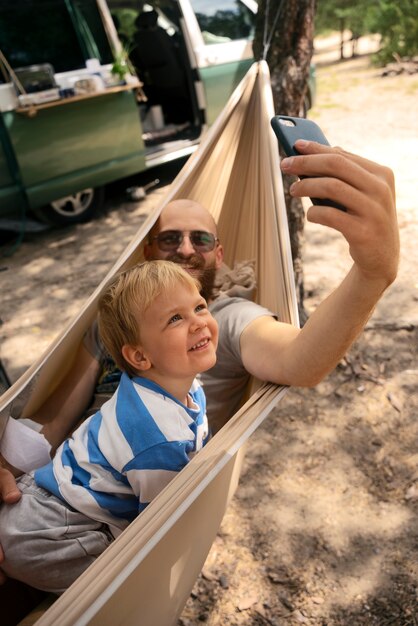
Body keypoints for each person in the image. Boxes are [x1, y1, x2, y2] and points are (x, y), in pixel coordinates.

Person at [0, 139, 399, 531]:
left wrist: (371, 274)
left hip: (130, 515)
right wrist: (7, 476)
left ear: (219, 255)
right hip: (60, 492)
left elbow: (301, 359)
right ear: (148, 253)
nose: (186, 249)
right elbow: (52, 420)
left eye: (201, 239)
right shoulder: (114, 322)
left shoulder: (222, 320)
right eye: (170, 238)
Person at [0, 261, 218, 593]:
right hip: (48, 534)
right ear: (141, 357)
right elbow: (157, 528)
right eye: (176, 318)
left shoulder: (179, 385)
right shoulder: (158, 441)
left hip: (53, 496)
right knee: (125, 582)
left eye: (199, 306)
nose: (198, 322)